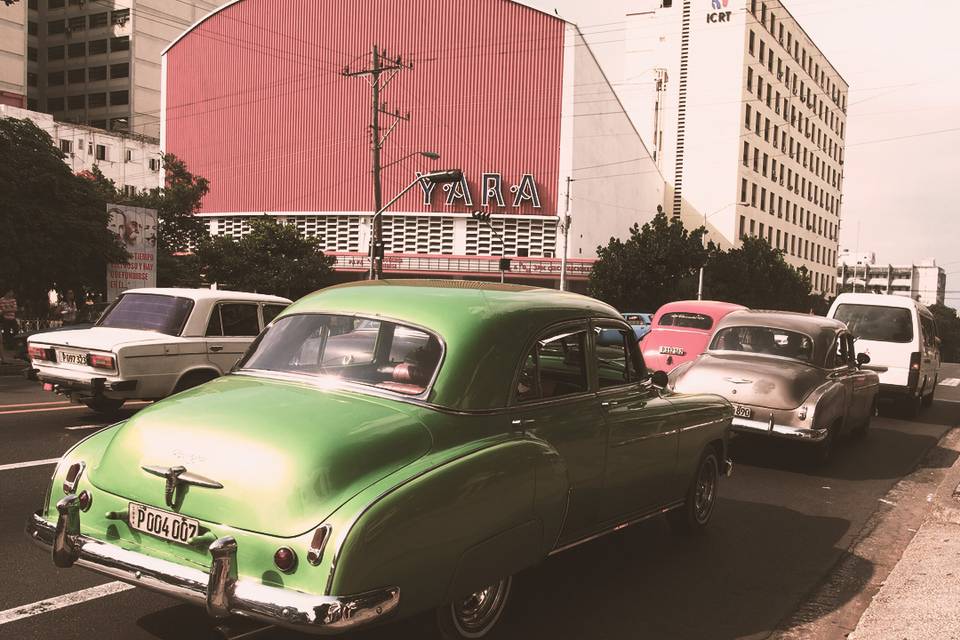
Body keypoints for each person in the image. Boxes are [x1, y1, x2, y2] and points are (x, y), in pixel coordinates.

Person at [0, 290, 17, 363]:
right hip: (5, 319)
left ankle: (13, 344)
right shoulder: (2, 300)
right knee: (6, 333)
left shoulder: (13, 300)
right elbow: (2, 310)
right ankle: (7, 347)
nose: (12, 293)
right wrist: (10, 309)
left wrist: (7, 310)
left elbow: (15, 309)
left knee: (16, 330)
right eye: (10, 292)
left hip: (12, 318)